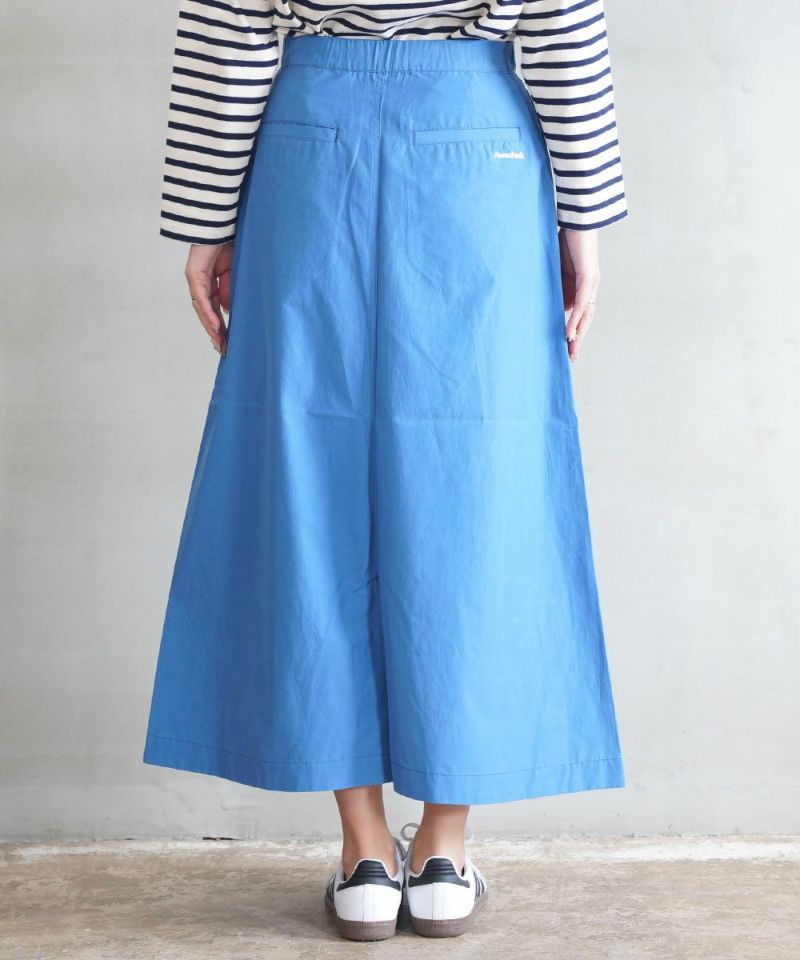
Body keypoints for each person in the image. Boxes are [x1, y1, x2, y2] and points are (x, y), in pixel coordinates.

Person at [143, 0, 628, 941]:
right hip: (475, 139)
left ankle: (364, 852)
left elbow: (232, 27)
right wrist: (584, 225)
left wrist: (208, 222)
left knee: (308, 477)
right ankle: (442, 852)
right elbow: (562, 26)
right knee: (471, 485)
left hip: (309, 140)